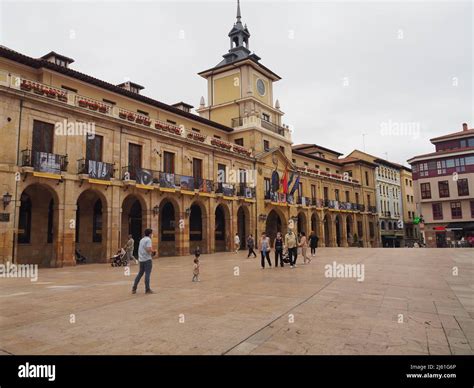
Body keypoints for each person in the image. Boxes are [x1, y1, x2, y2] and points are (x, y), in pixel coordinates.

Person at [132, 228, 156, 294]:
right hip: (147, 259)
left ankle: (134, 287)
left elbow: (143, 248)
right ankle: (147, 289)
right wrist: (153, 251)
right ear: (150, 234)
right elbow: (148, 249)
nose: (152, 235)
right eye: (152, 233)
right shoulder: (148, 240)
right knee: (147, 274)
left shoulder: (142, 239)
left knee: (140, 274)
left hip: (141, 259)